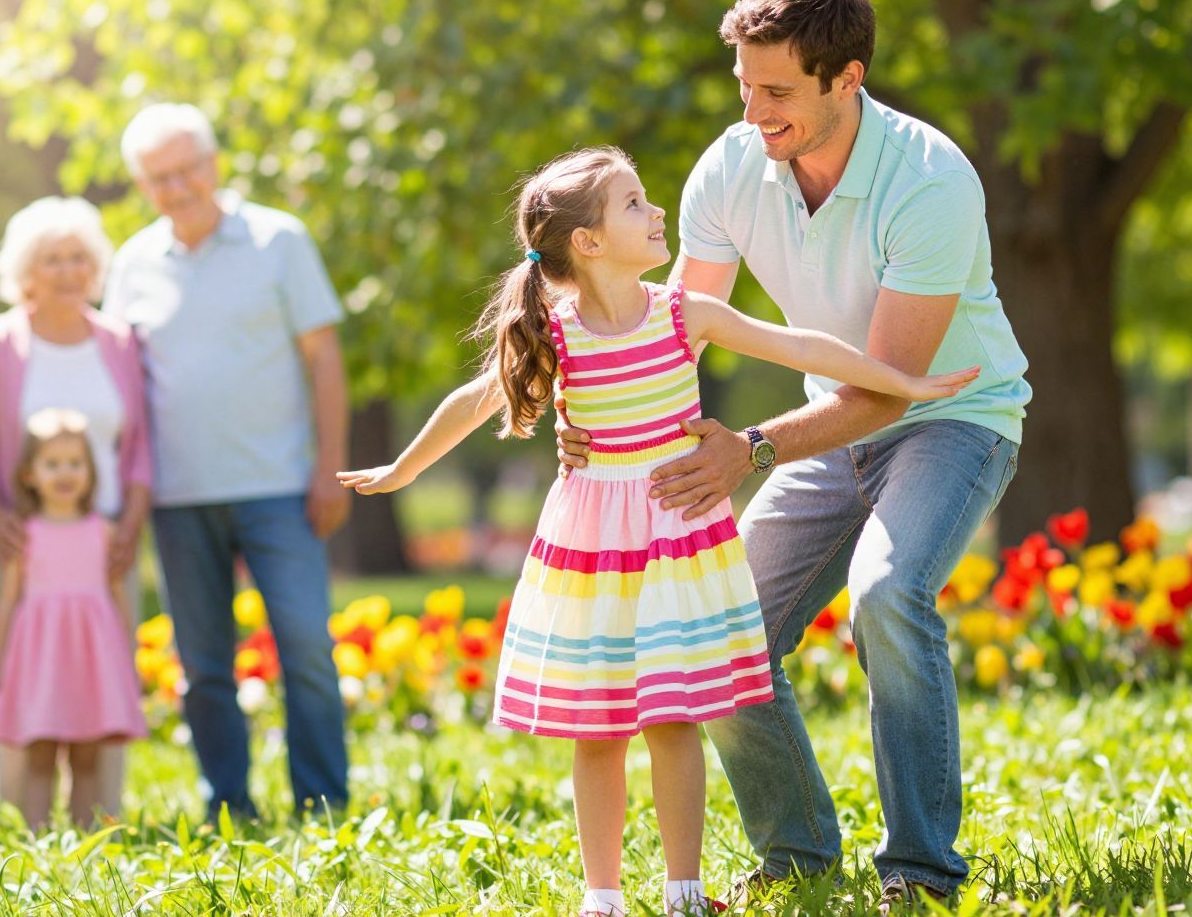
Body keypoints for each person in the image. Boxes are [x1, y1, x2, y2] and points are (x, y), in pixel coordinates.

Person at [338, 147, 976, 917]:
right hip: (593, 550)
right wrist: (403, 470)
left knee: (675, 714)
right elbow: (474, 401)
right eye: (635, 203)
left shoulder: (683, 313)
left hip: (677, 540)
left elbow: (801, 348)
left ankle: (684, 890)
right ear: (589, 242)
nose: (657, 212)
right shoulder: (557, 337)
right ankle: (601, 895)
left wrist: (901, 379)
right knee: (598, 725)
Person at [556, 0, 1030, 910]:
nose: (755, 111)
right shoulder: (733, 167)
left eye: (777, 92)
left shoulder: (930, 182)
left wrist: (753, 447)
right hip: (828, 427)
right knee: (719, 631)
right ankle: (799, 854)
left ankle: (922, 872)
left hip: (947, 419)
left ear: (846, 79)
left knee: (889, 595)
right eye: (744, 86)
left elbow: (892, 388)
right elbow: (674, 332)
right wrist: (592, 418)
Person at [104, 102, 351, 820]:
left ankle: (323, 803)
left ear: (213, 165)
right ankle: (227, 805)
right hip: (179, 497)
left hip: (281, 487)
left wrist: (329, 466)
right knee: (203, 667)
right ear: (143, 186)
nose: (176, 187)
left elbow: (324, 358)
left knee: (306, 648)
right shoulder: (133, 263)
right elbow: (118, 379)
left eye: (186, 169)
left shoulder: (280, 240)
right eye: (158, 177)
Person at [0, 195, 152, 819]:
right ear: (25, 272)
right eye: (51, 259)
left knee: (105, 672)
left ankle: (101, 818)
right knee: (19, 674)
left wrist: (131, 520)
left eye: (78, 258)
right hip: (25, 543)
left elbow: (140, 444)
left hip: (105, 540)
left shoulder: (119, 342)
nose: (68, 271)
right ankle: (17, 817)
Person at [0, 409, 147, 828]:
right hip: (41, 665)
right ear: (29, 475)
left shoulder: (102, 532)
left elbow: (117, 601)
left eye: (75, 463)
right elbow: (6, 602)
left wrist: (128, 658)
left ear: (91, 472)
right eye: (52, 464)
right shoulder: (25, 534)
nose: (65, 473)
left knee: (87, 759)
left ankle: (85, 838)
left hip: (89, 666)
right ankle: (40, 839)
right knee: (41, 758)